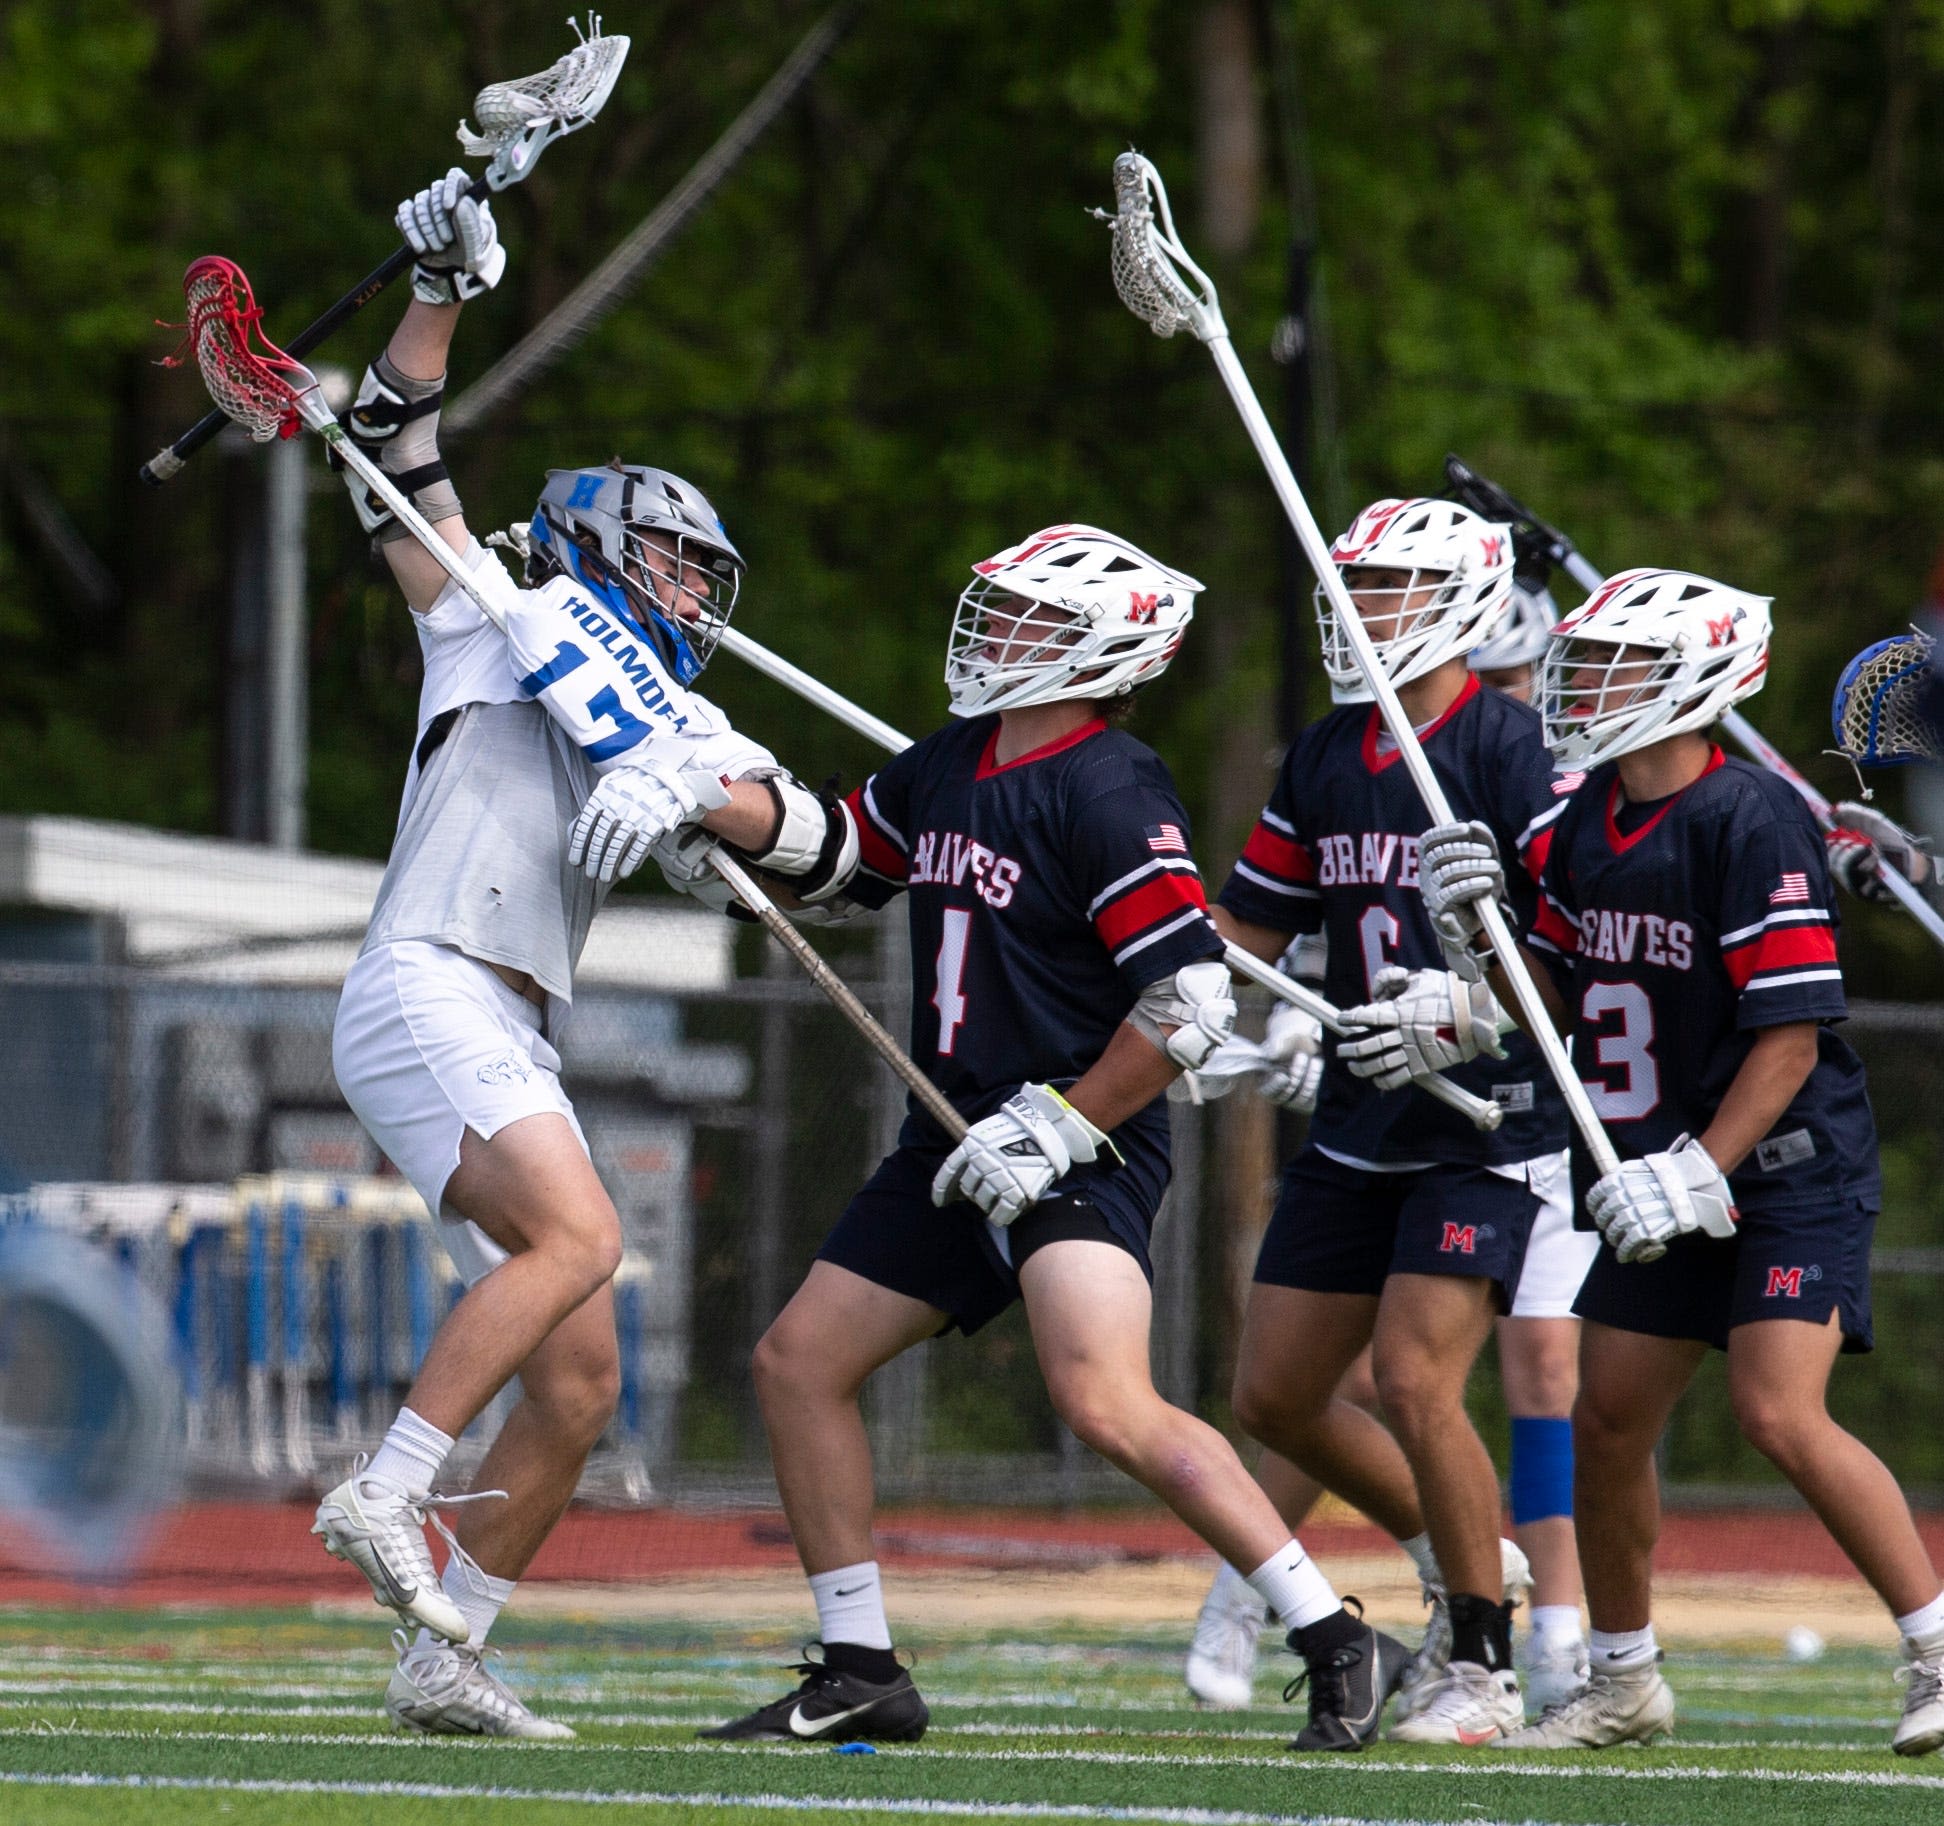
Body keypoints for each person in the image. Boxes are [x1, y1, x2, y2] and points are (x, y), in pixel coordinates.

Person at [693, 524, 1410, 1754]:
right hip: (954, 1131)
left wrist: (1066, 1119)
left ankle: (1337, 1635)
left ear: (1101, 647)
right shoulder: (955, 759)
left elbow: (1187, 1002)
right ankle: (861, 1664)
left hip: (1083, 1133)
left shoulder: (1110, 784)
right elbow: (843, 858)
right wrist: (712, 811)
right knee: (797, 1361)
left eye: (1028, 616)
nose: (994, 632)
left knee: (1104, 1397)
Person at [312, 172, 855, 1738]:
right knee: (585, 1238)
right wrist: (441, 285)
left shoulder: (679, 713)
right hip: (427, 973)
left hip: (513, 1016)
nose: (691, 598)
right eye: (674, 567)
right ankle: (388, 1488)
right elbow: (393, 450)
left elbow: (812, 843)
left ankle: (446, 1650)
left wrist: (701, 788)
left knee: (582, 1381)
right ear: (609, 544)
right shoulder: (497, 615)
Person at [1405, 566, 1944, 1756]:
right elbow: (1544, 998)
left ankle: (1935, 1644)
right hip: (1655, 1169)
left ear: (1693, 681)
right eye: (1582, 663)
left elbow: (1792, 1036)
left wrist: (1704, 1165)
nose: (1582, 686)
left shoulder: (1751, 817)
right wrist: (1474, 943)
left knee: (1777, 1410)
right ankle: (1623, 1677)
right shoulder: (1571, 819)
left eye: (1616, 666)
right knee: (1605, 1420)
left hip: (1782, 1161)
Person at [1183, 572, 1595, 1719]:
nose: (1358, 613)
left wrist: (1470, 1002)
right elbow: (1250, 922)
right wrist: (1181, 984)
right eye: (1351, 591)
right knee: (1272, 1392)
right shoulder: (1329, 750)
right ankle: (1454, 1553)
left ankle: (1482, 1660)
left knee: (1415, 1376)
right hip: (1363, 1112)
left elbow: (1583, 940)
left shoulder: (1513, 743)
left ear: (1456, 606)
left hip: (1485, 1110)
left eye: (1386, 592)